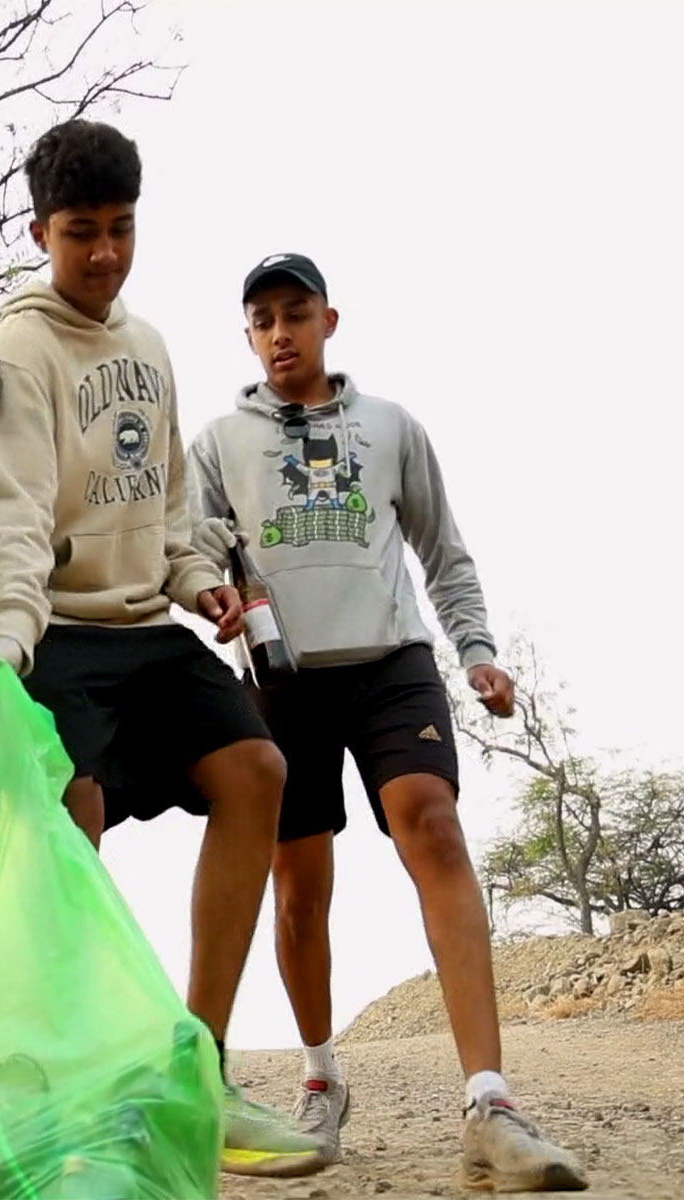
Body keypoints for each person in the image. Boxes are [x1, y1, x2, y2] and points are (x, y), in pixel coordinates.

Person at [0, 119, 330, 1181]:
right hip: (47, 630)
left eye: (122, 229)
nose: (106, 253)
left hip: (139, 626)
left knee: (257, 767)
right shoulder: (15, 350)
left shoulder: (149, 345)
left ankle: (192, 1075)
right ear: (41, 233)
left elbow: (165, 509)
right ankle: (73, 1082)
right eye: (83, 233)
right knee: (70, 812)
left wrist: (197, 580)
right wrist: (6, 652)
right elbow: (12, 520)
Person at [185, 252, 588, 1191]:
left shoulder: (391, 427)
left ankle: (490, 1099)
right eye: (261, 319)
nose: (280, 333)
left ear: (330, 319)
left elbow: (445, 551)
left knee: (434, 826)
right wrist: (208, 590)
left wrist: (477, 650)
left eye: (295, 314)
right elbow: (196, 543)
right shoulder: (216, 441)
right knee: (300, 891)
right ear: (247, 335)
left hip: (391, 664)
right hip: (282, 679)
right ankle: (321, 1076)